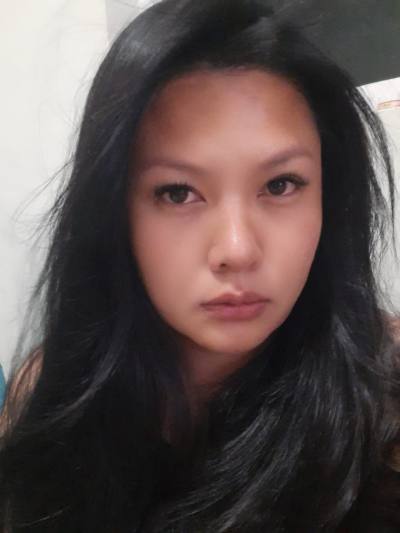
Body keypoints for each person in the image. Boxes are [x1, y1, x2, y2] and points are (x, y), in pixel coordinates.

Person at [0, 0, 399, 531]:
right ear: (114, 211)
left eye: (281, 184)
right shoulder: (51, 390)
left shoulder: (383, 404)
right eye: (177, 192)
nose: (237, 249)